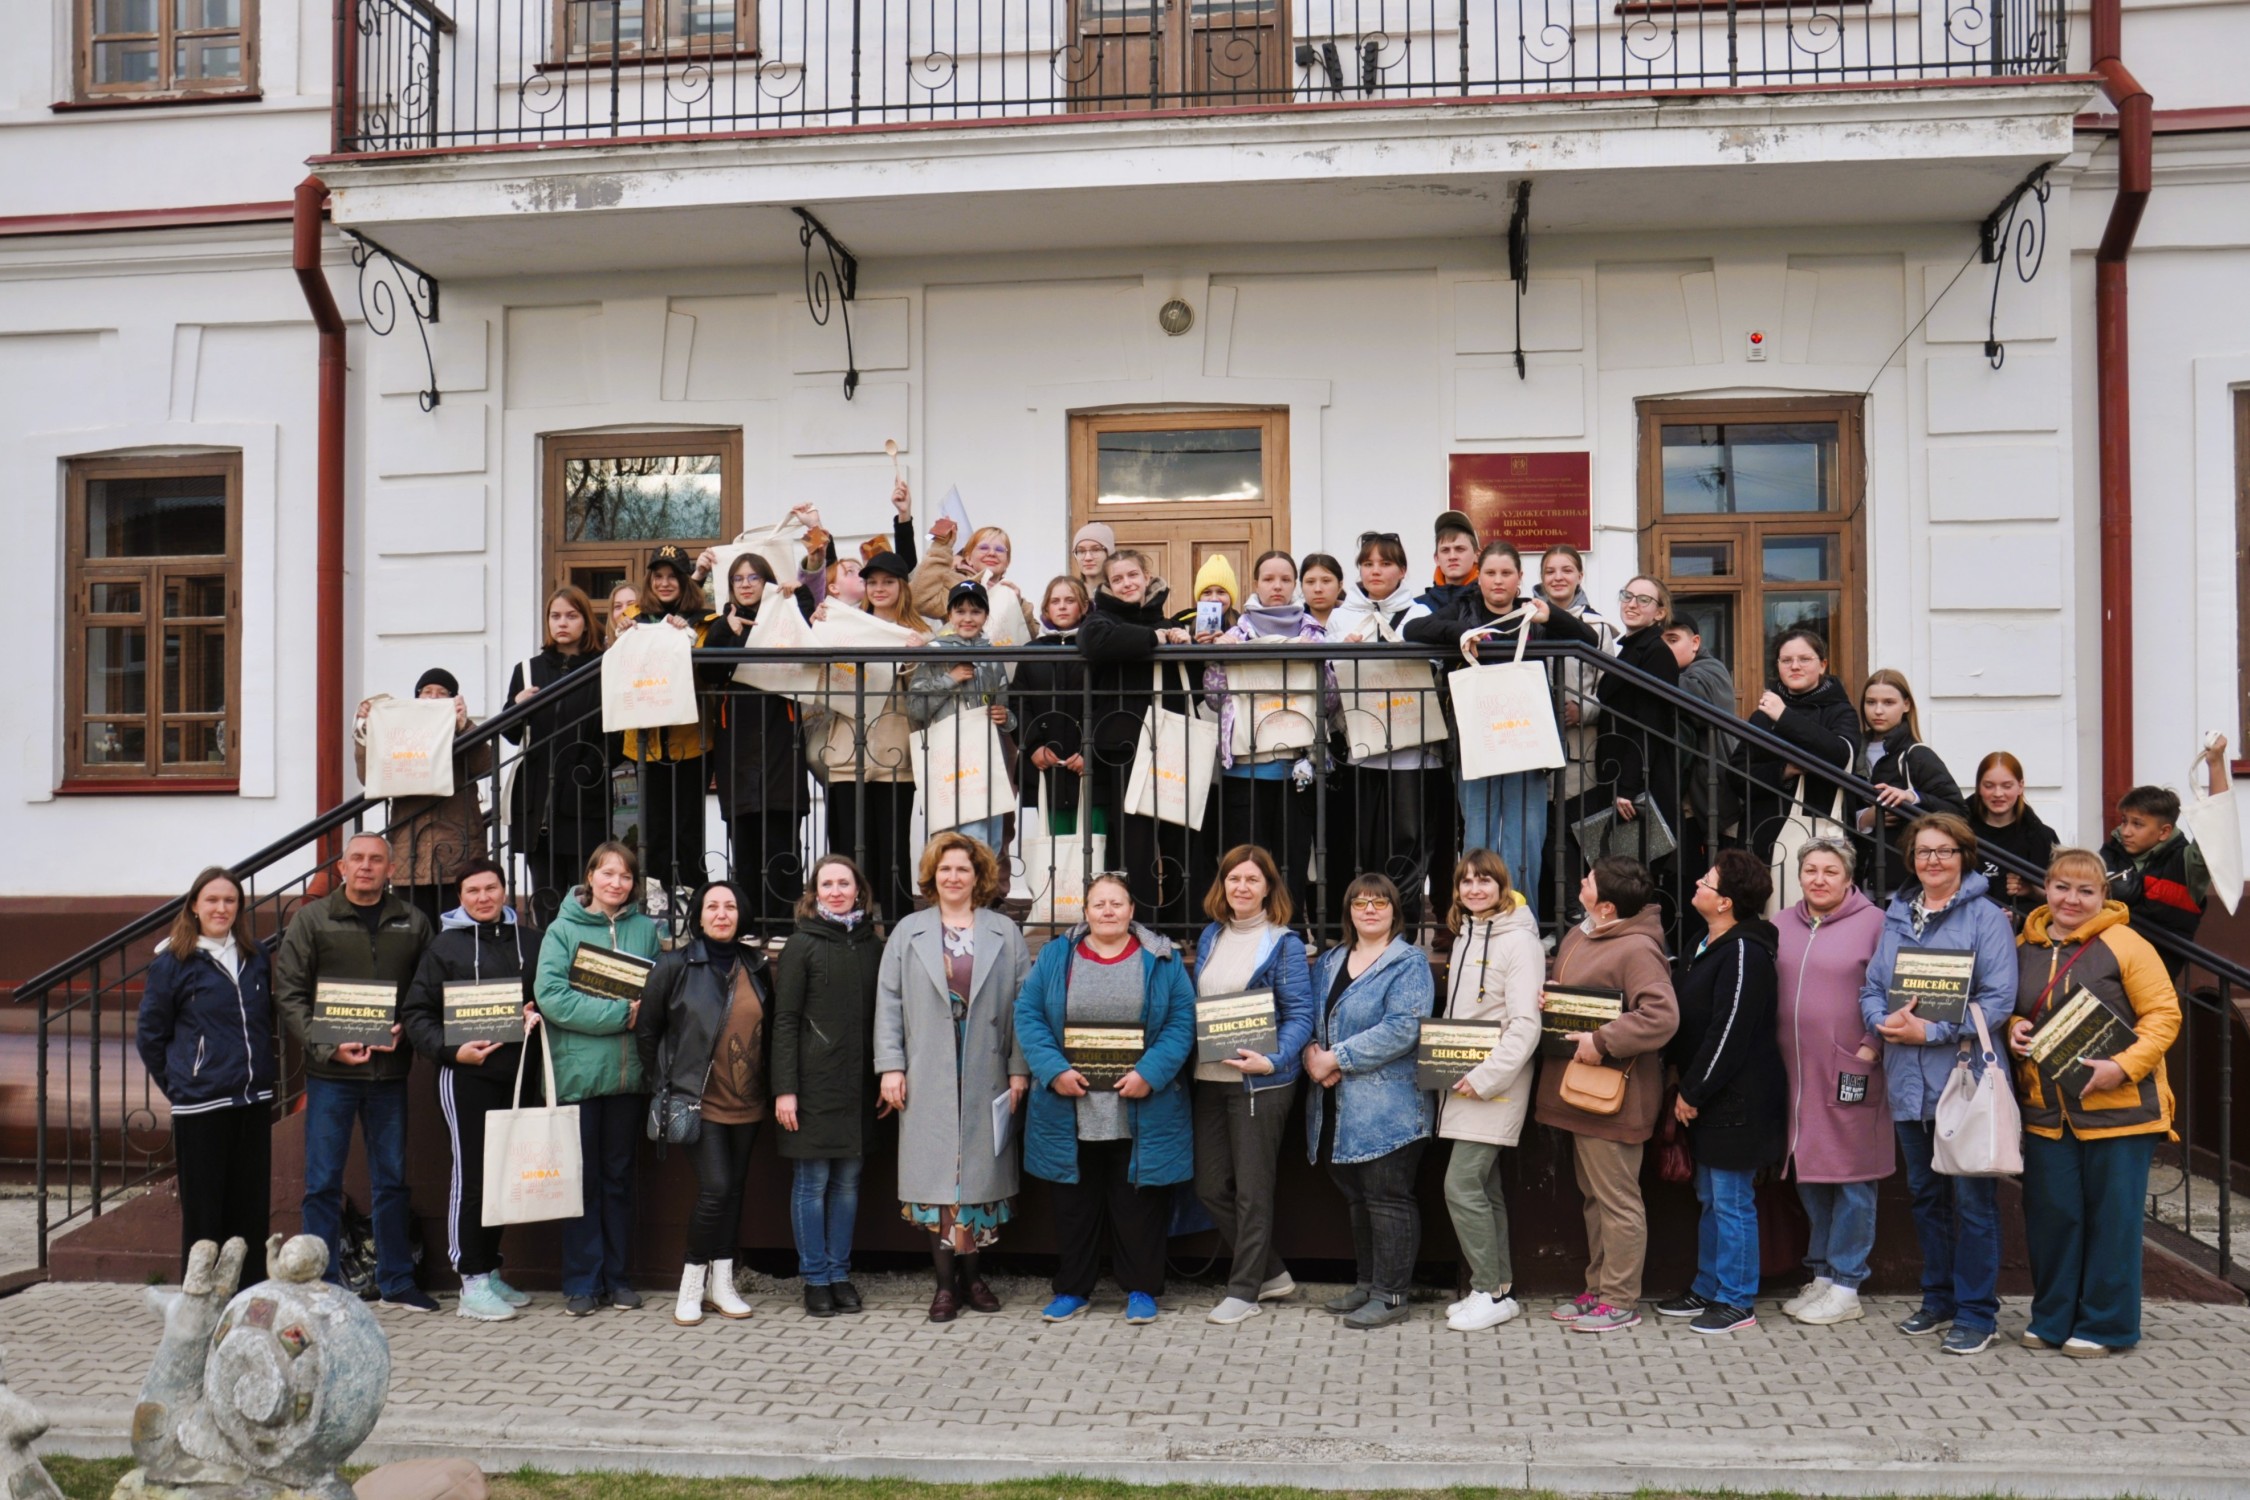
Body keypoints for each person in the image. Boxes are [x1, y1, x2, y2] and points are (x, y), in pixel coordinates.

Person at [2006, 849, 2182, 1356]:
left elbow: (2164, 1016)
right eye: (2063, 887)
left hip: (2120, 1110)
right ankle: (2053, 1317)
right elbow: (2008, 1007)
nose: (2072, 899)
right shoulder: (2024, 945)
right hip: (2047, 1111)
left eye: (2086, 890)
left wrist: (2122, 1067)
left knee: (2113, 1220)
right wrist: (2012, 1026)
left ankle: (2108, 1326)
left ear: (2103, 895)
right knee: (2053, 1216)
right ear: (2046, 887)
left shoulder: (2126, 943)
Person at [1857, 812, 2019, 1355]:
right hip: (1907, 1081)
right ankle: (1940, 1298)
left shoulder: (1986, 917)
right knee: (1927, 1197)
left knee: (1973, 1201)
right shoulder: (1897, 913)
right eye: (1924, 851)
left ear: (1964, 856)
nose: (1933, 861)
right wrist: (1880, 1020)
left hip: (1963, 1078)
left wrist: (1931, 1029)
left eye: (1945, 851)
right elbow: (1873, 986)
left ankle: (1978, 1313)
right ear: (1911, 859)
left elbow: (1998, 999)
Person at [1016, 874, 1198, 1325]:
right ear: (1086, 911)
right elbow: (1029, 1014)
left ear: (1132, 910)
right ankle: (1073, 1289)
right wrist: (1054, 1071)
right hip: (1070, 1107)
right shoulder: (1057, 957)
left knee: (1137, 1206)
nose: (1108, 911)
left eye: (1117, 903)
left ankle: (1141, 1289)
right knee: (1074, 1207)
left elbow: (1181, 1021)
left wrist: (1150, 1075)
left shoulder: (1162, 959)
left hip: (1140, 1106)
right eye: (1099, 904)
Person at [874, 832, 1032, 1321]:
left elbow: (1024, 1005)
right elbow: (889, 1003)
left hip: (985, 1066)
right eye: (945, 870)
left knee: (976, 1181)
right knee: (938, 1180)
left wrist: (1018, 1068)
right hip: (927, 1070)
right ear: (932, 877)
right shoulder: (908, 931)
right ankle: (946, 1286)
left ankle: (974, 1277)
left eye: (962, 869)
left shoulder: (1004, 933)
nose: (953, 877)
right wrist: (891, 1067)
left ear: (977, 876)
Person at [274, 831, 435, 1310]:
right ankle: (320, 1284)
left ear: (391, 869)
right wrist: (328, 1046)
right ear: (342, 868)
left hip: (389, 1074)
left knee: (392, 1180)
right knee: (322, 1182)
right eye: (357, 859)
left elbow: (428, 986)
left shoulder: (413, 921)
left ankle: (397, 1281)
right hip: (331, 1077)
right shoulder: (312, 920)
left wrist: (408, 1023)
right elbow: (290, 994)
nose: (366, 867)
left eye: (376, 860)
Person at [1405, 539, 1600, 920]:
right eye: (1491, 573)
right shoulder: (1462, 608)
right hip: (1476, 746)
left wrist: (1551, 617)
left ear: (1519, 578)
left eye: (1506, 573)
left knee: (1526, 837)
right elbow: (1414, 628)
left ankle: (1519, 918)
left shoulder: (1534, 614)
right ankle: (1479, 918)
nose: (1498, 581)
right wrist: (1462, 633)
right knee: (1478, 832)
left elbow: (1588, 641)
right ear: (1480, 577)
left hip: (1527, 743)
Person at [1534, 856, 1678, 1333]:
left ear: (1609, 905)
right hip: (1579, 1094)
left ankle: (1619, 1300)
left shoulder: (1637, 949)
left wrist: (1602, 1041)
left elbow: (1661, 1016)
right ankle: (1597, 1290)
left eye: (1589, 880)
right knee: (1595, 1198)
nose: (1581, 880)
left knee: (1617, 1201)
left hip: (1614, 1098)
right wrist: (1554, 996)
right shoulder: (1585, 932)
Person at [399, 857, 538, 1321]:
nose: (483, 898)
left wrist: (537, 1012)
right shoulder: (444, 948)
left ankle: (489, 1267)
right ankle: (470, 1282)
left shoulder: (529, 941)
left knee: (504, 1177)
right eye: (472, 891)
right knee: (473, 1174)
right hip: (465, 1077)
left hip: (518, 1075)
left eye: (491, 888)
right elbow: (417, 1014)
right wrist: (451, 1052)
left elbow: (546, 996)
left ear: (504, 891)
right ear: (460, 898)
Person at [1657, 849, 1785, 1335]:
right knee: (1710, 1195)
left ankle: (1737, 1299)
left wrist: (1693, 1089)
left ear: (1726, 901)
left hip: (1738, 1098)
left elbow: (1729, 1031)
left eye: (1706, 881)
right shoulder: (1702, 943)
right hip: (1706, 1095)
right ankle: (1708, 1286)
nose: (1697, 883)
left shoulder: (1746, 951)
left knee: (1731, 1200)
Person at [533, 840, 662, 1317]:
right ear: (590, 877)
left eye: (625, 876)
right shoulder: (561, 930)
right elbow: (551, 996)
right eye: (607, 874)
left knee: (619, 1181)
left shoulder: (644, 930)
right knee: (581, 1184)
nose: (616, 883)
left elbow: (654, 989)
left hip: (628, 1079)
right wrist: (618, 1017)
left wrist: (644, 1015)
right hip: (580, 1076)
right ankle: (581, 1282)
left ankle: (618, 1277)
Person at [1190, 845, 1316, 1324]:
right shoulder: (1211, 935)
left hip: (1259, 1083)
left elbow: (1300, 1014)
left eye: (1252, 880)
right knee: (1208, 1186)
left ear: (1268, 888)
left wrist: (1275, 1059)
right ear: (1222, 886)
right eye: (1233, 879)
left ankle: (1245, 1291)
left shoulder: (1282, 943)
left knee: (1252, 1190)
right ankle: (1273, 1272)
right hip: (1210, 1076)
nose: (1241, 887)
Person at [636, 879, 770, 1327]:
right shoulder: (674, 965)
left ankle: (722, 1283)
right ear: (698, 915)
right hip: (697, 1102)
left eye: (730, 906)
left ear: (740, 915)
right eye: (712, 906)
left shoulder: (757, 965)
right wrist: (664, 1085)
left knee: (734, 1192)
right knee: (715, 1189)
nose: (721, 914)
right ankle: (692, 1282)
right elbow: (648, 1031)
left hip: (747, 1101)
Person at [1304, 874, 1434, 1329]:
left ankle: (1392, 1294)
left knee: (1388, 1198)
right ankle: (1367, 1284)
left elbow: (1404, 1027)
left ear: (1395, 912)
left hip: (1390, 1107)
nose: (1370, 910)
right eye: (1361, 902)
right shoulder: (1331, 960)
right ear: (1350, 911)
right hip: (1336, 1106)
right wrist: (1310, 1055)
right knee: (1358, 1200)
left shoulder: (1408, 962)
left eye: (1380, 902)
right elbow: (1313, 1020)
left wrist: (1337, 1057)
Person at [137, 867, 276, 1288]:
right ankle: (199, 1300)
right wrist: (183, 1083)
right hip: (201, 1106)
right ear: (194, 906)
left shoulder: (255, 956)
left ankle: (246, 1296)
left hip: (252, 1101)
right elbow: (150, 1035)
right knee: (204, 1213)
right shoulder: (173, 963)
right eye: (212, 900)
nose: (221, 908)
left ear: (239, 908)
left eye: (230, 900)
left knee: (250, 1210)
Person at [1773, 836, 1889, 1328]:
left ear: (1848, 878)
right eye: (1811, 870)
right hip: (1796, 1073)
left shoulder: (1877, 924)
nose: (1818, 880)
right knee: (1811, 1170)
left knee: (1853, 1176)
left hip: (1850, 1067)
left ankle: (1847, 1282)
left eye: (1830, 871)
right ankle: (1821, 1273)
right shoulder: (1781, 923)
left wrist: (1871, 1046)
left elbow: (1895, 988)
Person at [1434, 850, 1542, 1334]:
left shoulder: (1518, 941)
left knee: (1461, 1184)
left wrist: (1483, 1078)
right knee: (1486, 1188)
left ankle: (1484, 1287)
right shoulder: (1466, 934)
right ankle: (1499, 1291)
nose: (1475, 889)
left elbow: (1524, 1027)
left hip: (1492, 1084)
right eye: (1466, 882)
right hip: (1464, 1080)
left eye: (1485, 881)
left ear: (1503, 886)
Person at [772, 854, 884, 1317]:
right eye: (827, 885)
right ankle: (815, 1277)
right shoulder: (802, 945)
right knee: (812, 1182)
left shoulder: (875, 946)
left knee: (848, 1183)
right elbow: (785, 1021)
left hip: (859, 1082)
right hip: (811, 1084)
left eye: (844, 883)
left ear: (859, 889)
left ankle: (840, 1273)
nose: (836, 891)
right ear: (814, 894)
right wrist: (785, 1089)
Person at [1078, 549, 1204, 936]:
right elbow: (1095, 642)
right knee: (1134, 842)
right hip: (1125, 750)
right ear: (1108, 585)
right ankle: (1144, 926)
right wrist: (1155, 638)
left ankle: (1188, 926)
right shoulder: (1100, 619)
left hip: (1173, 746)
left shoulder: (1170, 620)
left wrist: (1188, 644)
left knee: (1181, 835)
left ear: (1147, 576)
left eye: (1133, 575)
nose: (1127, 584)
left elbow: (1194, 688)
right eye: (1118, 579)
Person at [1204, 550, 1335, 922]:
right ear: (1256, 584)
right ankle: (1248, 928)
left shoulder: (1315, 633)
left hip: (1298, 769)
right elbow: (1214, 698)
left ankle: (1290, 932)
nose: (1276, 587)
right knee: (1246, 861)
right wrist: (1217, 657)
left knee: (1293, 858)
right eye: (1268, 579)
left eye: (1284, 579)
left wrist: (1319, 664)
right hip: (1244, 769)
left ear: (1294, 585)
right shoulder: (1234, 634)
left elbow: (1333, 701)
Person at [1330, 532, 1443, 934]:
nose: (1376, 570)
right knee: (1362, 846)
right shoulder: (1341, 617)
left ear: (1402, 570)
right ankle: (1364, 927)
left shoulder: (1419, 614)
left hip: (1412, 750)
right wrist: (1343, 652)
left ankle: (1405, 929)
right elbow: (1325, 680)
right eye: (1368, 563)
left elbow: (1437, 666)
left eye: (1386, 563)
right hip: (1361, 748)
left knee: (1408, 844)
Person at [811, 549, 928, 928]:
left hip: (896, 757)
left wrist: (917, 658)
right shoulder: (848, 626)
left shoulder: (919, 633)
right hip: (846, 753)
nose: (879, 588)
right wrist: (818, 628)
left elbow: (926, 696)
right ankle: (846, 927)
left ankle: (897, 928)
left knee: (893, 850)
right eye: (872, 581)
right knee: (847, 850)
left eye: (888, 582)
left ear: (902, 587)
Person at [703, 552, 814, 937]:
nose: (746, 584)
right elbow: (708, 673)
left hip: (782, 744)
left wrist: (793, 597)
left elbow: (808, 634)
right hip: (737, 747)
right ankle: (747, 926)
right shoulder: (723, 625)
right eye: (738, 579)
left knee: (782, 845)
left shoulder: (784, 612)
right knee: (745, 847)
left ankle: (785, 927)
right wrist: (724, 632)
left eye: (754, 577)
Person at [1571, 577, 1681, 920]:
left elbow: (1649, 725)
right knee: (1620, 870)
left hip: (1638, 780)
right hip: (1622, 774)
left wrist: (1628, 788)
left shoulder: (1656, 653)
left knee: (1635, 875)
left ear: (1660, 612)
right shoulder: (1631, 648)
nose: (1632, 604)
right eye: (1627, 596)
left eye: (1644, 600)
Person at [616, 545, 719, 899]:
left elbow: (708, 676)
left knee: (688, 830)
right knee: (654, 829)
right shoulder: (632, 616)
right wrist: (623, 636)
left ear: (685, 580)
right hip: (645, 742)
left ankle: (692, 901)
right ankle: (659, 902)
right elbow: (613, 661)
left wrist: (685, 642)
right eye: (658, 576)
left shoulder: (704, 621)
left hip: (690, 742)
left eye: (672, 576)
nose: (664, 583)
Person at [504, 587, 610, 927]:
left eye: (571, 615)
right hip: (538, 805)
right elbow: (509, 735)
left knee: (586, 897)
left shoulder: (603, 668)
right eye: (555, 616)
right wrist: (516, 708)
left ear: (585, 621)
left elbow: (615, 737)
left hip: (584, 800)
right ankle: (550, 971)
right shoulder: (528, 670)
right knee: (546, 898)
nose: (562, 623)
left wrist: (589, 770)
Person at [354, 668, 491, 926]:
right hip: (410, 854)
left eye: (442, 693)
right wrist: (366, 730)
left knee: (458, 933)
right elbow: (368, 776)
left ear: (453, 700)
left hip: (456, 853)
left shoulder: (459, 729)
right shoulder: (399, 733)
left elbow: (485, 765)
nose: (433, 698)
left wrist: (465, 727)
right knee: (413, 937)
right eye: (426, 692)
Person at [1740, 628, 1863, 893]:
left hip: (1820, 840)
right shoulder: (1763, 715)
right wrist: (1784, 771)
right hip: (1764, 840)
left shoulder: (1840, 711)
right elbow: (1737, 775)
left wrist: (1785, 717)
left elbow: (1841, 756)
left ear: (1823, 665)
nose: (1794, 666)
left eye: (1804, 659)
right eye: (1786, 660)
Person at [904, 581, 1015, 853]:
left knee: (988, 835)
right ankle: (949, 892)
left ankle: (982, 893)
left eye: (975, 611)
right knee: (951, 834)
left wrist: (1006, 717)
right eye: (961, 611)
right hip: (946, 757)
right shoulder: (934, 652)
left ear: (986, 616)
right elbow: (915, 708)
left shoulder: (992, 656)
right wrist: (949, 679)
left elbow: (1005, 708)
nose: (968, 618)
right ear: (950, 615)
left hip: (985, 758)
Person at [1541, 546, 1621, 910]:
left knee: (1579, 833)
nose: (1558, 577)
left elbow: (1611, 688)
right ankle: (1547, 915)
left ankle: (1580, 914)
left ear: (1579, 576)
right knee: (1542, 837)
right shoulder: (1526, 620)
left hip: (1581, 751)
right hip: (1535, 746)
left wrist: (1584, 711)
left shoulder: (1600, 627)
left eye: (1566, 570)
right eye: (1550, 571)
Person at [2100, 739, 2231, 951]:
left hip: (2155, 972)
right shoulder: (2110, 853)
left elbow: (2214, 828)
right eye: (2124, 821)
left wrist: (2215, 765)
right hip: (2103, 963)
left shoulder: (2185, 864)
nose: (2126, 831)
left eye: (2137, 824)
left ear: (2164, 832)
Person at [1855, 670, 1966, 868]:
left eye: (1888, 702)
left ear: (1906, 705)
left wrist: (1911, 797)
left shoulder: (1917, 755)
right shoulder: (1854, 751)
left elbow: (1958, 812)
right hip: (1860, 872)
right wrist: (1864, 819)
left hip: (1904, 877)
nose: (1878, 710)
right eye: (1871, 702)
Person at [1014, 577, 1093, 841]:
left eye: (1070, 600)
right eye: (1055, 601)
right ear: (1046, 609)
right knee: (1055, 847)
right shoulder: (1032, 652)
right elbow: (1019, 703)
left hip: (1089, 767)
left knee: (1094, 843)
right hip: (1047, 767)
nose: (1062, 607)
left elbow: (1106, 706)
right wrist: (1033, 746)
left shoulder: (1096, 649)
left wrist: (1088, 752)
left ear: (1083, 607)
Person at [1663, 617, 1740, 881]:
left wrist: (1650, 667)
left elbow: (1692, 703)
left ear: (1695, 642)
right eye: (1660, 644)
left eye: (1672, 641)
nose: (1665, 650)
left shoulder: (1710, 670)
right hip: (1691, 796)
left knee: (1706, 877)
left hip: (1713, 793)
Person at [1967, 751, 2059, 930]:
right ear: (1978, 787)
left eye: (2007, 786)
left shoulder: (2041, 836)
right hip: (1966, 929)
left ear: (2021, 786)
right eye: (1989, 786)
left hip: (2022, 936)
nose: (1998, 793)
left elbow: (2058, 895)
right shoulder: (1958, 831)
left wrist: (2022, 914)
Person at [913, 520, 1037, 640]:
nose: (992, 553)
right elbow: (920, 601)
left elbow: (1031, 636)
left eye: (999, 550)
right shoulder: (955, 583)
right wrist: (941, 547)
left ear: (1007, 562)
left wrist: (1018, 605)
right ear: (968, 557)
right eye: (983, 548)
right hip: (961, 659)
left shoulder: (1011, 591)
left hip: (997, 661)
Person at [1416, 510, 1479, 617]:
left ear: (1476, 556)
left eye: (1460, 549)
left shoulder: (1490, 603)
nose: (1452, 556)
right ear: (1436, 558)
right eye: (1445, 550)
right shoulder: (1418, 607)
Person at [1185, 554, 1241, 641]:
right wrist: (1194, 645)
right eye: (1207, 593)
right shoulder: (1182, 623)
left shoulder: (1244, 627)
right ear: (1199, 598)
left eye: (1221, 592)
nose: (1214, 599)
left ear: (1230, 597)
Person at [1298, 552, 1346, 630]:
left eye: (1326, 581)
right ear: (1301, 586)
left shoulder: (1356, 621)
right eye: (1310, 582)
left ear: (1340, 586)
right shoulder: (1292, 624)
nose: (1318, 589)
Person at [1071, 521, 1115, 596]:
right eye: (1081, 551)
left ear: (1108, 553)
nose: (1088, 558)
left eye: (1096, 550)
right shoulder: (1070, 594)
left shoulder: (1121, 593)